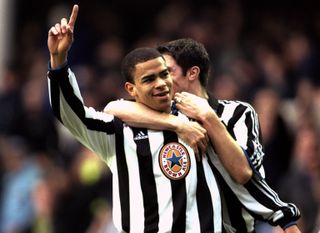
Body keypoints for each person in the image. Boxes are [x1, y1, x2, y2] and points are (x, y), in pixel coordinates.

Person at [47, 5, 235, 232]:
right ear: (131, 89)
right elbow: (73, 115)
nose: (161, 84)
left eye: (165, 74)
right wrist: (59, 61)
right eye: (148, 79)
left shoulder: (198, 115)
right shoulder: (117, 133)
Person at [104, 38, 302, 233]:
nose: (161, 81)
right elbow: (114, 107)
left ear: (192, 73)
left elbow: (243, 173)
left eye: (167, 72)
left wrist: (207, 116)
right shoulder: (164, 117)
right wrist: (178, 125)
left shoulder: (239, 113)